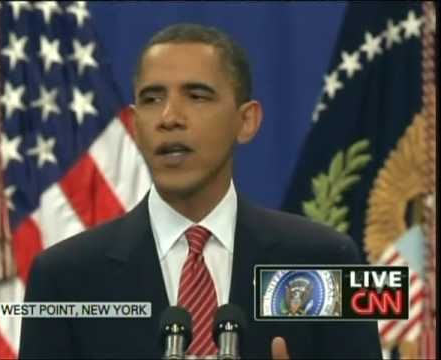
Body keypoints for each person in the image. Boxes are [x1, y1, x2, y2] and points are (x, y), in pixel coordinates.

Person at [19, 23, 382, 359]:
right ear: (134, 125)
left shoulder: (330, 258)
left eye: (197, 95)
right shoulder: (62, 278)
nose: (170, 117)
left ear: (246, 121)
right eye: (152, 98)